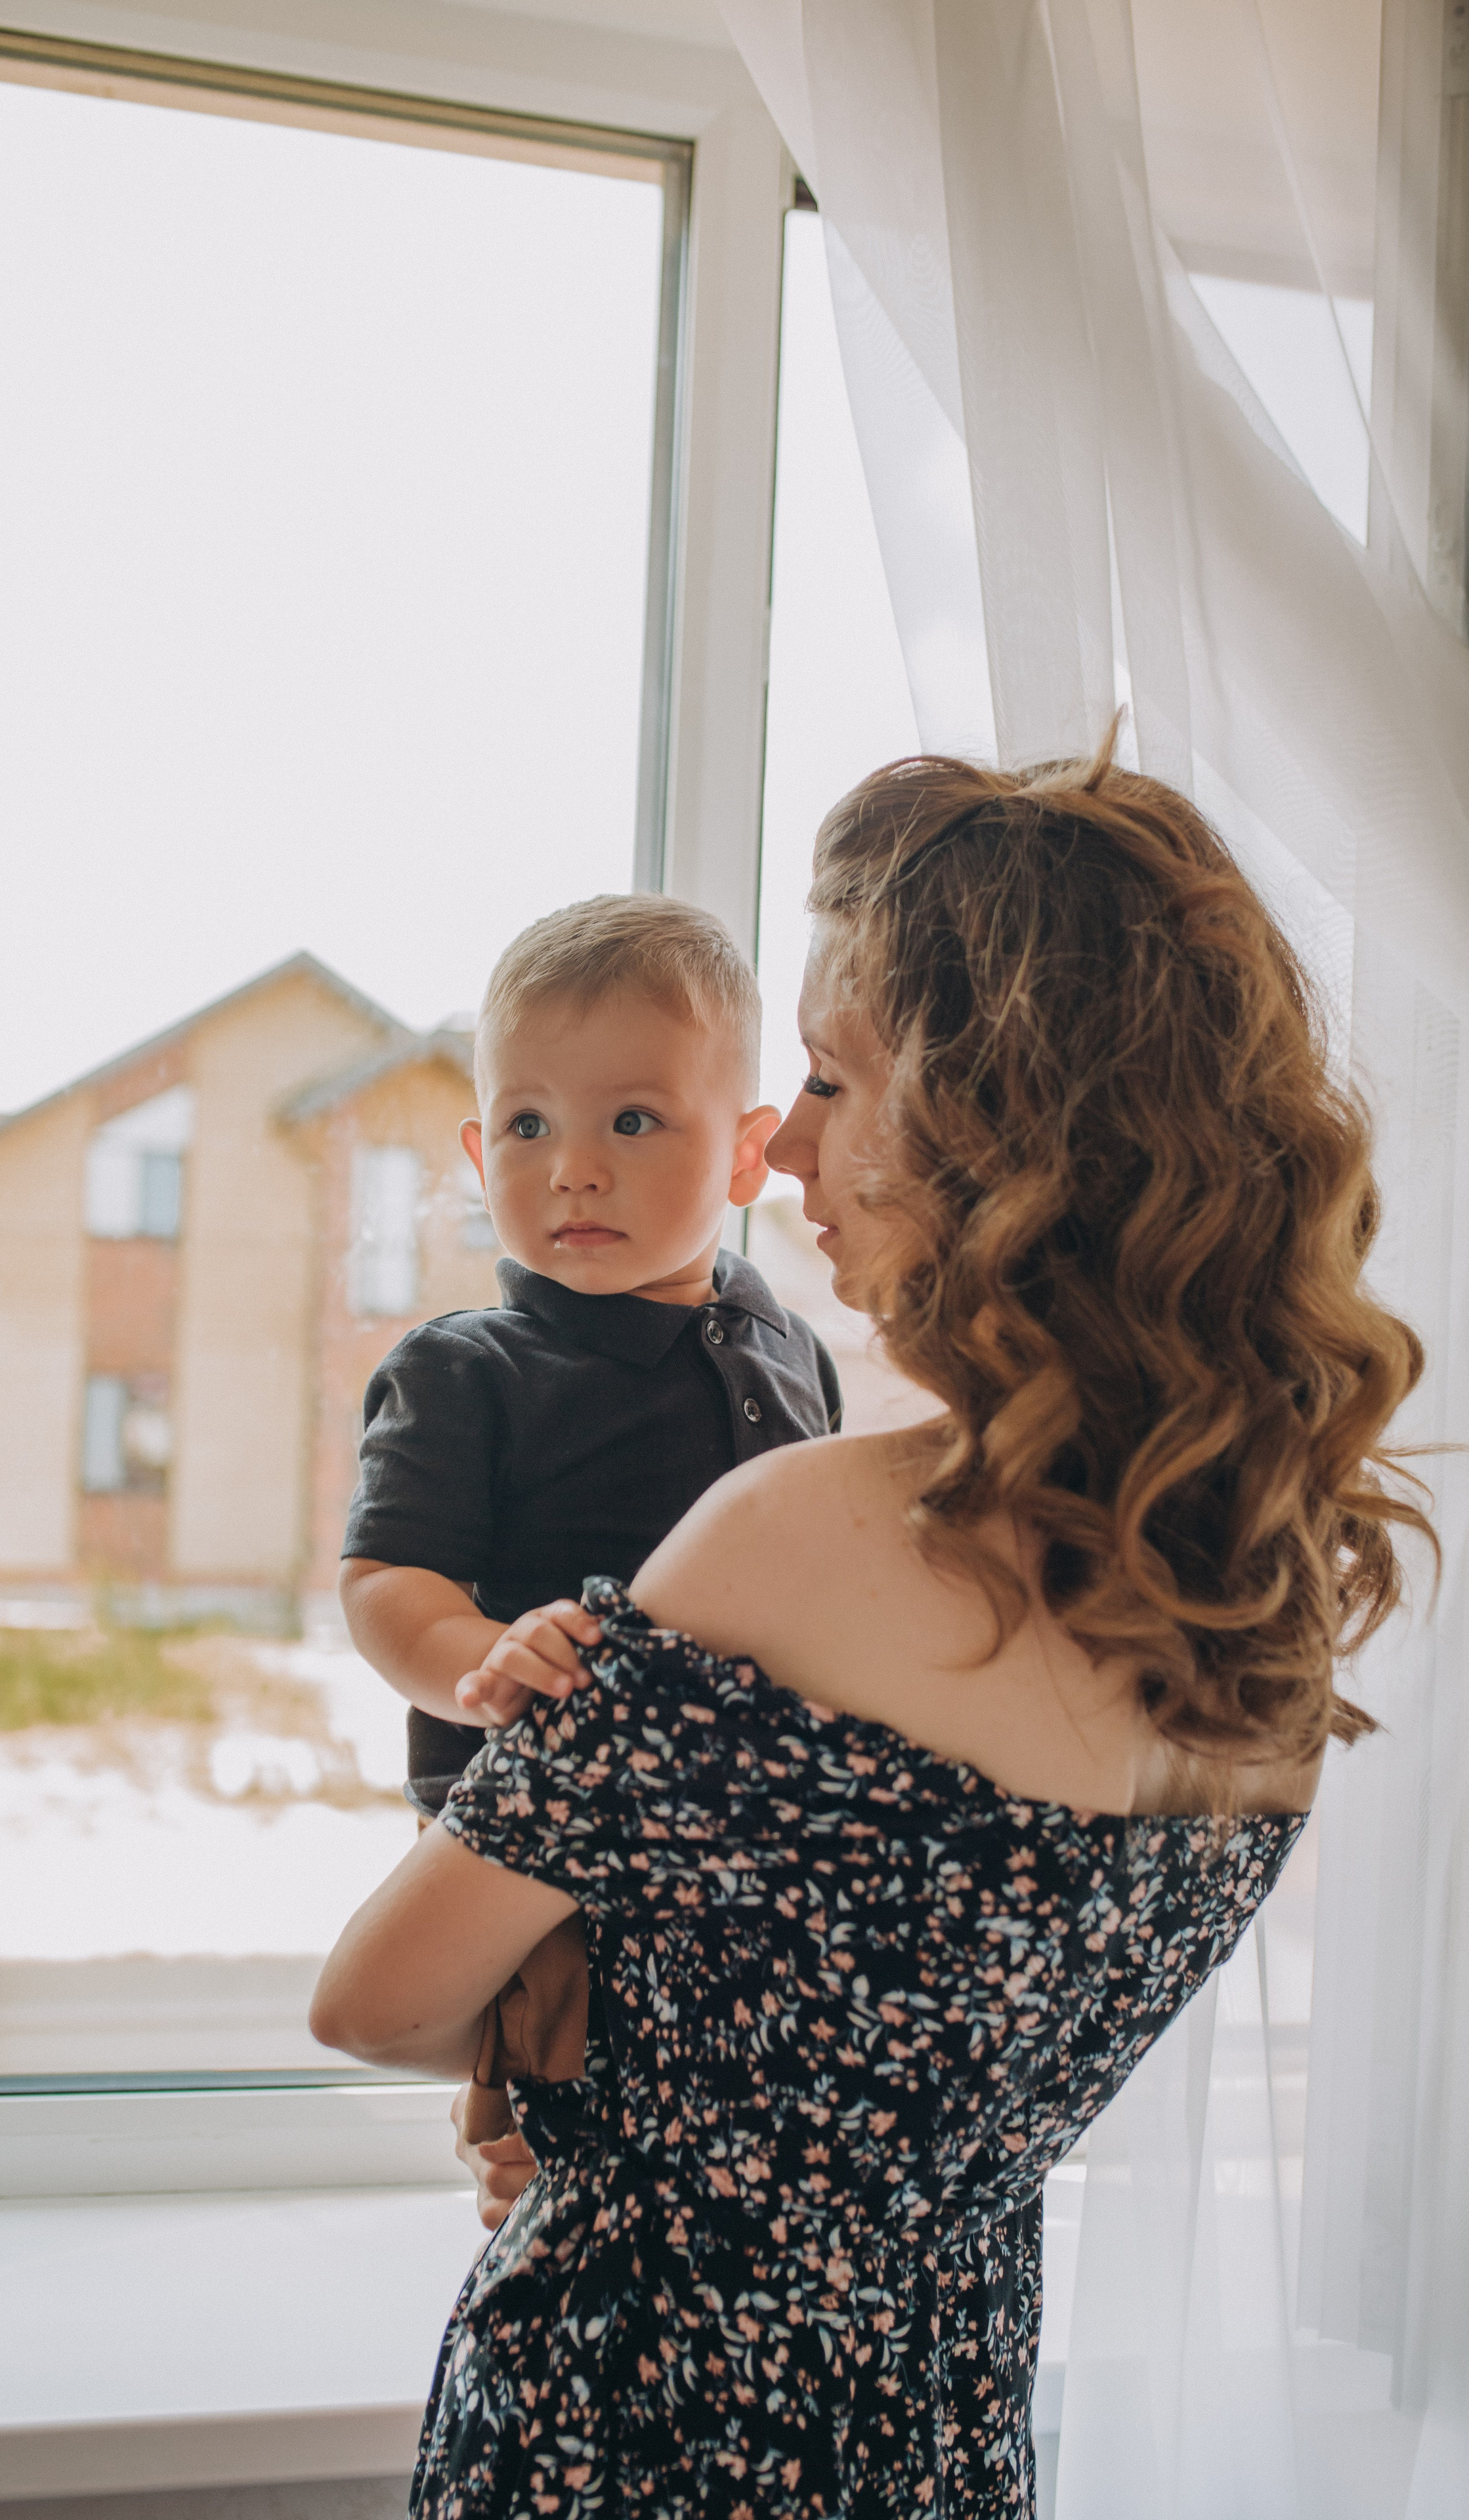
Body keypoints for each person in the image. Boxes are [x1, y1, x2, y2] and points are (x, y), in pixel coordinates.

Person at [312, 740, 1432, 2518]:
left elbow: (373, 2002)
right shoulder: (1270, 1603)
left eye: (832, 1078)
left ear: (1005, 1121)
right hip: (937, 2414)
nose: (795, 1147)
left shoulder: (799, 1530)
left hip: (636, 2430)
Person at [339, 894, 841, 2131]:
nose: (573, 1166)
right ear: (476, 1158)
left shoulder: (794, 1350)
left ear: (742, 1151)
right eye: (527, 1123)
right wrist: (479, 1666)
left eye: (633, 1118)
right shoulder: (468, 1369)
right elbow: (388, 1583)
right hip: (543, 1851)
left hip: (747, 1838)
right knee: (553, 2132)